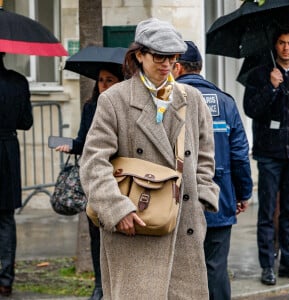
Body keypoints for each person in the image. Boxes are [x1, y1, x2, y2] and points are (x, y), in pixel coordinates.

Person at [79, 18, 219, 299]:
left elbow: (205, 156)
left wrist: (202, 198)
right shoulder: (114, 100)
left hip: (183, 225)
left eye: (172, 57)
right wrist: (117, 209)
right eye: (158, 56)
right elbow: (94, 161)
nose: (167, 63)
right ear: (139, 55)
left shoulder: (192, 99)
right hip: (134, 226)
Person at [172, 41, 253, 300]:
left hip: (176, 199)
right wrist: (243, 193)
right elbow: (240, 154)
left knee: (179, 270)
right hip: (218, 197)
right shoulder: (226, 102)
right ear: (200, 67)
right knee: (216, 268)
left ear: (177, 67)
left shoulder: (169, 101)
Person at [55, 64, 124, 300]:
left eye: (110, 80)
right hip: (96, 180)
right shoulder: (90, 107)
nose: (103, 84)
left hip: (121, 178)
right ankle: (100, 285)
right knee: (97, 233)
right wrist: (70, 146)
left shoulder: (126, 107)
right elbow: (83, 141)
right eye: (101, 80)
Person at [243, 27, 289, 286]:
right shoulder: (260, 74)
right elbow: (251, 109)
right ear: (275, 45)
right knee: (267, 211)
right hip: (269, 153)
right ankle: (268, 264)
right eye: (281, 43)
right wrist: (271, 87)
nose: (286, 48)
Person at [0, 52, 33, 297]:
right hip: (8, 150)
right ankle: (5, 279)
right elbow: (26, 121)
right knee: (6, 218)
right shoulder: (18, 81)